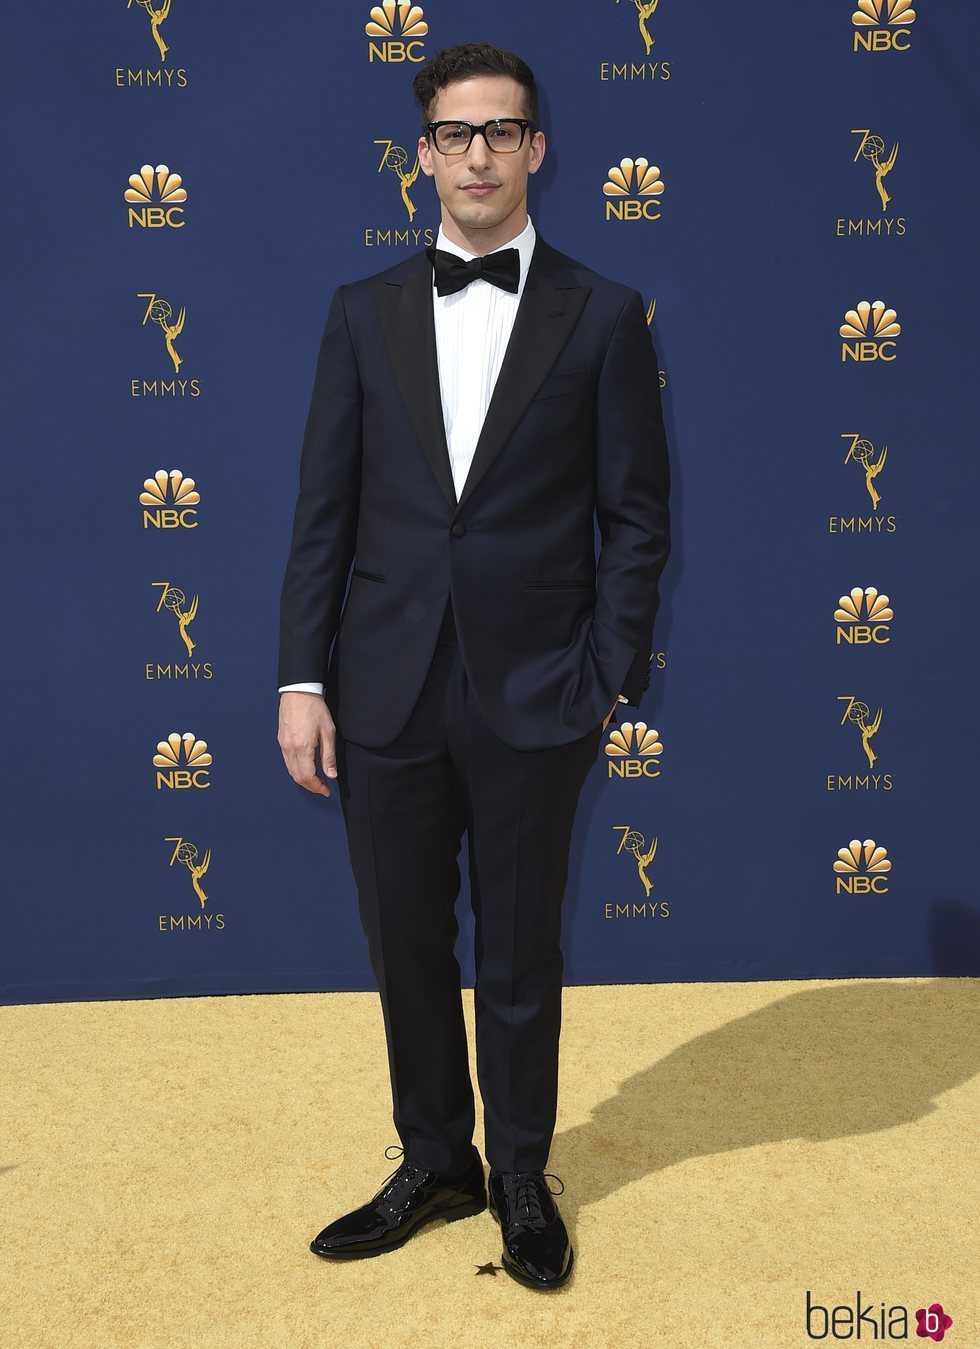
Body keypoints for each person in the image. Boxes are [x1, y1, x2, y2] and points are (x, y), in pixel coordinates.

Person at [277, 40, 670, 1289]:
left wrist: (604, 673)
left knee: (516, 952)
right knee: (402, 940)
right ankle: (432, 1157)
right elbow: (321, 514)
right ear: (422, 155)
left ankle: (516, 1176)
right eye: (456, 133)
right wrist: (301, 677)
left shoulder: (602, 315)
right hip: (381, 681)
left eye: (502, 131)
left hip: (532, 688)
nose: (479, 155)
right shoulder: (359, 312)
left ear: (535, 149)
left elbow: (636, 516)